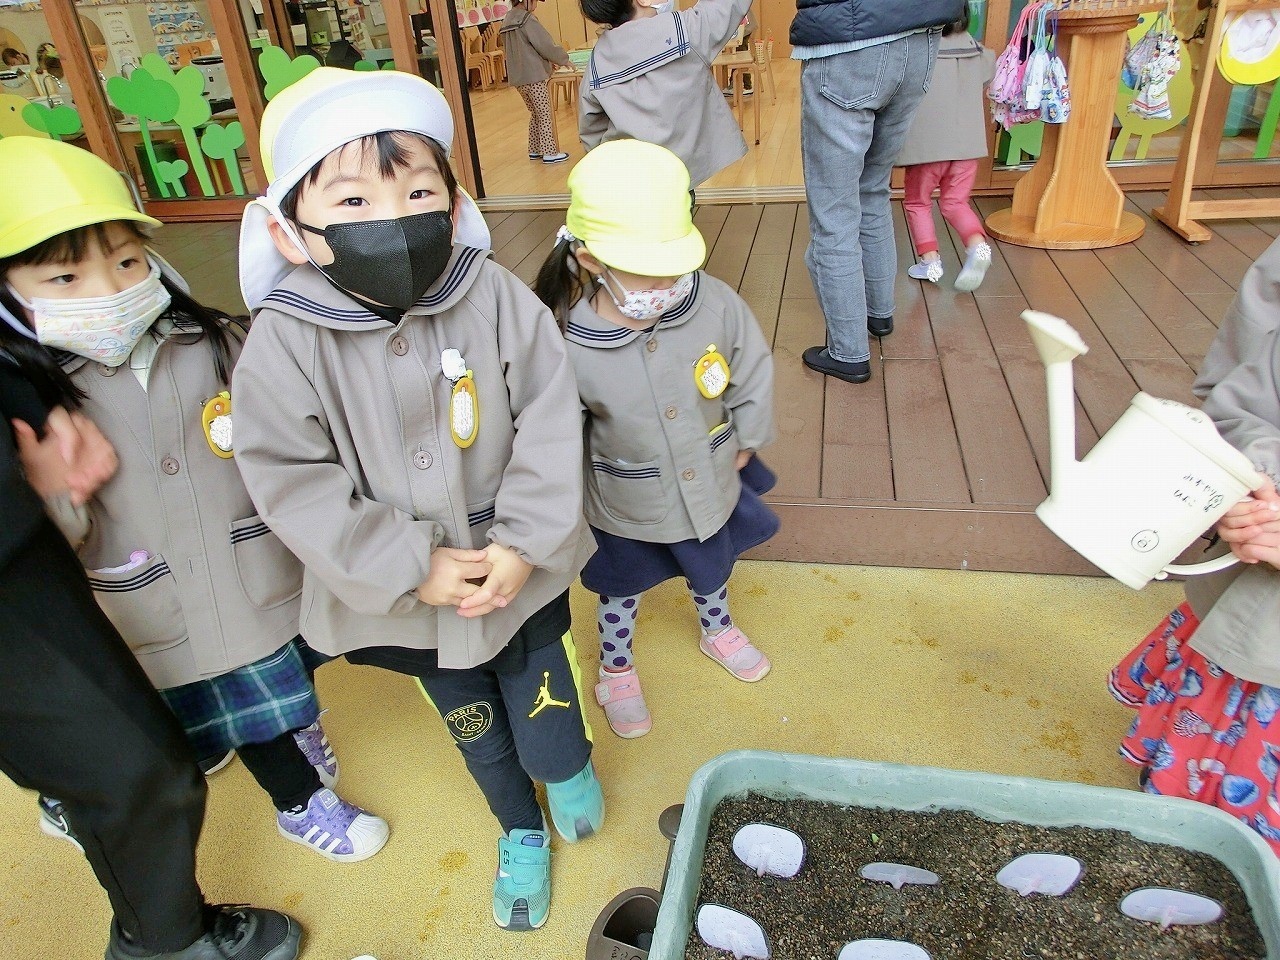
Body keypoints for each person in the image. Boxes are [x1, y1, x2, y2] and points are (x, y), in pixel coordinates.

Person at [232, 68, 603, 932]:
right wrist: (410, 565)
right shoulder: (283, 341)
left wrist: (524, 540)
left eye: (418, 192)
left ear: (454, 204)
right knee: (473, 724)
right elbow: (291, 479)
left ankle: (568, 767)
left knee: (545, 698)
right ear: (290, 232)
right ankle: (517, 827)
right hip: (406, 606)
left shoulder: (493, 293)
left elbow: (551, 414)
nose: (392, 220)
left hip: (520, 574)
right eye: (352, 202)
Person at [0, 136, 388, 865]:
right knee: (186, 714)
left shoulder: (211, 340)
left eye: (126, 261)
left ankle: (297, 784)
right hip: (143, 607)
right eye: (65, 277)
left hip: (250, 578)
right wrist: (56, 492)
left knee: (273, 689)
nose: (108, 290)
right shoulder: (27, 405)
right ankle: (284, 792)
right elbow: (33, 556)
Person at [0, 366, 301, 958]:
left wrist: (29, 403)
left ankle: (162, 925)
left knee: (141, 759)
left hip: (18, 534)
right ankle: (165, 944)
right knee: (130, 767)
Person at [533, 140, 778, 740]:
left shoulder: (712, 303)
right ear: (590, 260)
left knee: (711, 563)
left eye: (677, 264)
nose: (669, 282)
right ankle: (616, 666)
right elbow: (559, 433)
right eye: (650, 268)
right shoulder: (568, 343)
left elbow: (751, 367)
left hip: (710, 477)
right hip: (626, 500)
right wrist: (557, 501)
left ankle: (717, 627)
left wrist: (748, 433)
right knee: (621, 586)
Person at [791, 0, 966, 385]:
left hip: (849, 43)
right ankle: (878, 314)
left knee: (834, 215)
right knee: (872, 188)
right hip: (921, 39)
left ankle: (849, 354)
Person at [578, 0, 752, 190]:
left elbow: (591, 131)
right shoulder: (686, 29)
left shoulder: (597, 61)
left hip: (627, 186)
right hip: (678, 180)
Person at [897, 4, 995, 292]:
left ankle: (930, 262)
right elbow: (988, 72)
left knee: (918, 202)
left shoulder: (916, 50)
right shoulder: (978, 50)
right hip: (967, 145)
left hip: (927, 147)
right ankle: (977, 246)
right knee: (955, 203)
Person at [500, 0, 573, 164]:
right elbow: (545, 44)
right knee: (545, 114)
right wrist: (563, 59)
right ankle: (550, 153)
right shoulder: (527, 19)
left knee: (535, 113)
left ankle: (534, 149)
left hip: (518, 79)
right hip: (534, 77)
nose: (536, 5)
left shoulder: (507, 20)